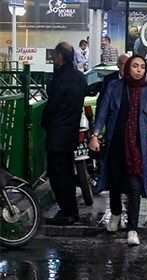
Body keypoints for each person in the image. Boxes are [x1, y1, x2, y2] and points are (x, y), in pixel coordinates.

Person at [89, 55, 147, 246]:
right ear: (128, 68)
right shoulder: (115, 86)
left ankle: (132, 228)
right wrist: (95, 134)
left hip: (136, 145)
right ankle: (115, 213)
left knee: (134, 187)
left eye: (142, 67)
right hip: (116, 142)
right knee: (114, 183)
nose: (139, 70)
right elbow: (104, 112)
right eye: (135, 66)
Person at [42, 42, 88, 226]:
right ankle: (71, 210)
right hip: (71, 131)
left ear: (60, 56)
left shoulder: (60, 77)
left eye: (56, 55)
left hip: (57, 132)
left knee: (57, 173)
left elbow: (52, 105)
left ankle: (67, 211)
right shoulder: (79, 77)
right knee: (67, 172)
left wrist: (45, 122)